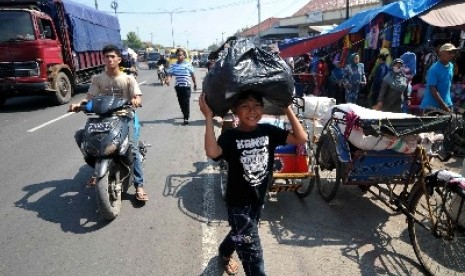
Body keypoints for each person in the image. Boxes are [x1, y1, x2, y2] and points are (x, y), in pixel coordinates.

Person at [199, 91, 308, 276]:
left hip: (258, 199)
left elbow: (301, 138)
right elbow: (212, 152)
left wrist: (287, 108)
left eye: (257, 105)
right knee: (253, 256)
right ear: (235, 110)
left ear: (263, 108)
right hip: (238, 205)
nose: (252, 110)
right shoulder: (230, 136)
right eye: (245, 106)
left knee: (241, 232)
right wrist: (209, 117)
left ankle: (224, 252)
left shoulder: (268, 131)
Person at [69, 44, 149, 201]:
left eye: (113, 56)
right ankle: (97, 170)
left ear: (119, 59)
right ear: (103, 59)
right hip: (101, 117)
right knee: (81, 136)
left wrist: (136, 100)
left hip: (125, 116)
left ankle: (139, 186)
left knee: (132, 148)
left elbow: (138, 96)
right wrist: (79, 105)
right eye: (107, 56)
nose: (110, 59)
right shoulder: (98, 79)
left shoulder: (128, 79)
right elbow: (89, 98)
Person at [420, 43, 458, 114]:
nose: (452, 55)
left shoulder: (451, 66)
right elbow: (433, 89)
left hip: (447, 103)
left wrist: (447, 105)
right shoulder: (434, 69)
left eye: (453, 53)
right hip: (432, 106)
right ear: (441, 53)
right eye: (449, 52)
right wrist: (444, 106)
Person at [165, 48, 197, 125]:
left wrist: (195, 83)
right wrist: (168, 80)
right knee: (181, 102)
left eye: (180, 55)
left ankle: (186, 118)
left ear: (184, 56)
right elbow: (170, 74)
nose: (179, 57)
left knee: (186, 102)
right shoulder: (174, 65)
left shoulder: (188, 64)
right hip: (178, 87)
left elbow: (192, 74)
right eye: (178, 55)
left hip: (186, 87)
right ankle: (184, 113)